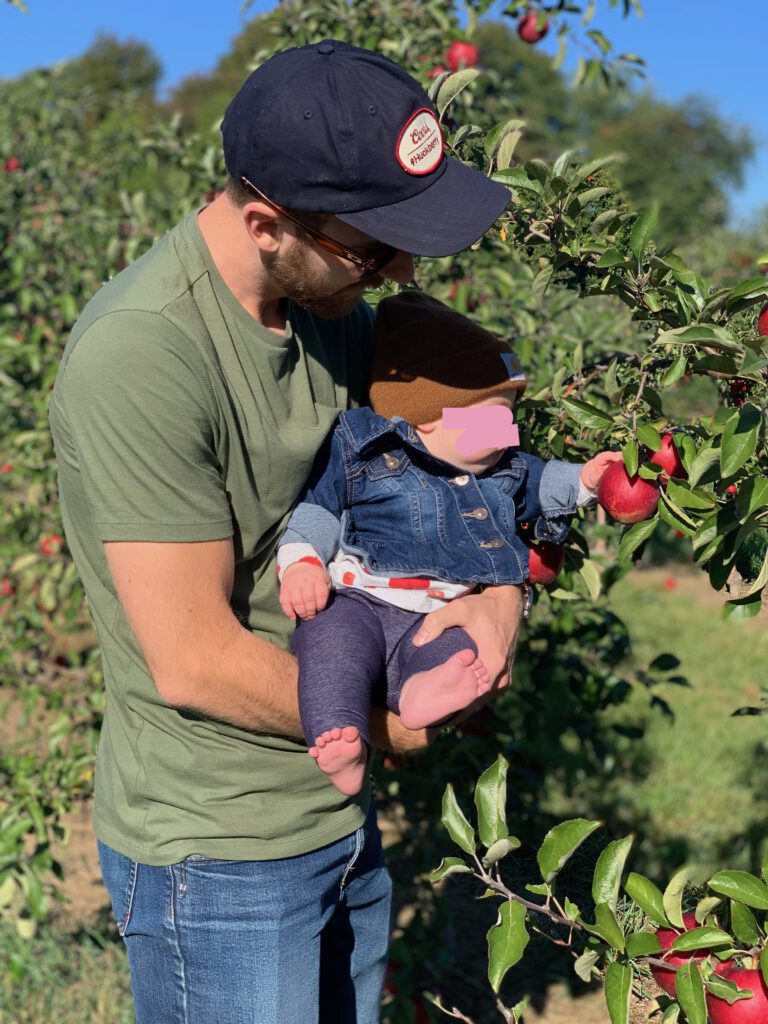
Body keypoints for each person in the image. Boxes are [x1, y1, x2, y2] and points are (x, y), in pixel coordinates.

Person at [49, 38, 526, 1024]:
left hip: (336, 814)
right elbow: (192, 658)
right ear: (267, 222)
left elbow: (453, 469)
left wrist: (493, 601)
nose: (399, 268)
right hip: (220, 857)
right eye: (373, 243)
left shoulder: (332, 304)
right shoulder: (144, 355)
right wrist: (398, 725)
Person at [277, 292, 622, 795]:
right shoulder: (366, 447)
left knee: (459, 655)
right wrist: (302, 560)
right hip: (357, 600)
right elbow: (320, 504)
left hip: (438, 614)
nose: (509, 433)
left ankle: (422, 693)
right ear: (430, 414)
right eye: (492, 419)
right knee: (329, 649)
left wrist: (589, 481)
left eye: (509, 416)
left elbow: (548, 484)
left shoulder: (504, 469)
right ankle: (341, 736)